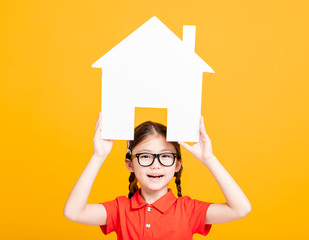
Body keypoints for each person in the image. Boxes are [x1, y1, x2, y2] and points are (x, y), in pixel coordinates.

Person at [63, 112, 251, 239]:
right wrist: (98, 156)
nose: (155, 164)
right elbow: (73, 212)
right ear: (130, 164)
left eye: (165, 156)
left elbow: (241, 209)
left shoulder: (189, 210)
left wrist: (209, 159)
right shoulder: (119, 209)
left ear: (177, 164)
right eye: (145, 156)